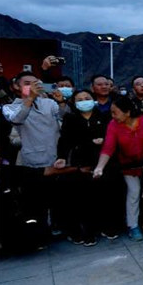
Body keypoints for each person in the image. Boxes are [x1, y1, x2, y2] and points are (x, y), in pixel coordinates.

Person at [1, 70, 61, 247]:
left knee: (58, 198)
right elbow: (17, 119)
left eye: (36, 82)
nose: (33, 86)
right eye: (27, 83)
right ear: (16, 87)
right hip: (32, 162)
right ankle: (39, 236)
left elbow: (63, 117)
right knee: (36, 202)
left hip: (56, 157)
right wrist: (29, 99)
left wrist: (62, 101)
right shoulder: (11, 107)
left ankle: (59, 227)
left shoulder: (49, 103)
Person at [93, 96, 143, 240]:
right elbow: (108, 147)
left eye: (115, 112)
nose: (112, 116)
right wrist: (100, 167)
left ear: (128, 112)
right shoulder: (113, 124)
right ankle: (133, 225)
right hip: (127, 165)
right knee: (134, 192)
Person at [55, 89, 109, 245]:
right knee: (82, 199)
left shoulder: (103, 116)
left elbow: (111, 137)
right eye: (79, 99)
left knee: (100, 198)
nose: (84, 101)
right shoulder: (70, 118)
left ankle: (101, 227)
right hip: (80, 163)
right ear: (74, 102)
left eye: (87, 98)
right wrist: (62, 157)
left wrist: (103, 140)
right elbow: (65, 140)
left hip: (102, 161)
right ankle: (85, 232)